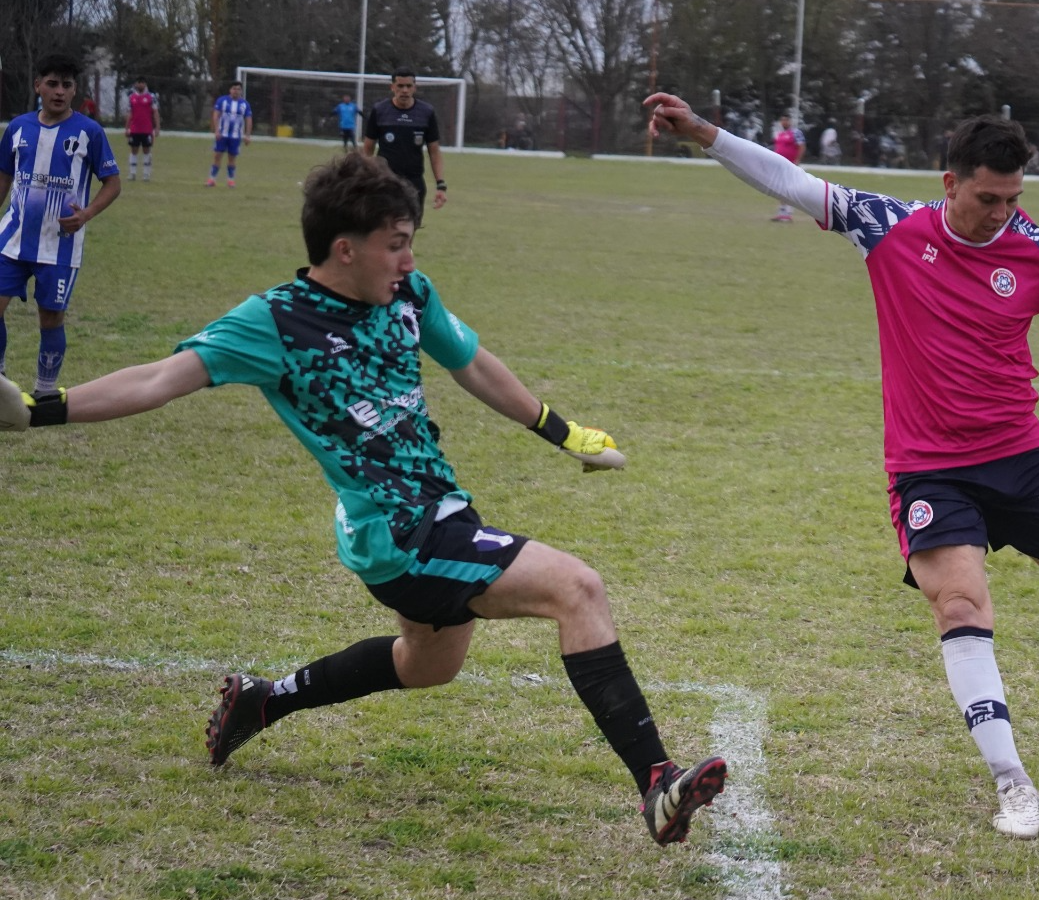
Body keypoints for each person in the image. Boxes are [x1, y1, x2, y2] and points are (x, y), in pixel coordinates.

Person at [0, 152, 726, 846]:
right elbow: (159, 379)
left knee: (429, 664)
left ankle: (263, 700)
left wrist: (563, 432)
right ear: (344, 249)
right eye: (396, 244)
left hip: (441, 513)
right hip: (397, 535)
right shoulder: (274, 322)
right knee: (578, 588)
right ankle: (657, 780)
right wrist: (42, 409)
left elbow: (470, 363)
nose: (408, 260)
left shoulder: (409, 293)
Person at [644, 91, 1039, 840]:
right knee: (960, 606)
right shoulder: (892, 227)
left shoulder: (1033, 250)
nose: (1003, 213)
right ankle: (1014, 784)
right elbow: (792, 182)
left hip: (1022, 459)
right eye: (989, 197)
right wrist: (705, 134)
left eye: (1014, 198)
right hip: (929, 469)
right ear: (950, 183)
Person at [0, 54, 121, 394]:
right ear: (37, 85)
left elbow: (113, 183)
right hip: (12, 238)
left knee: (50, 318)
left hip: (60, 245)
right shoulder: (18, 127)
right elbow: (5, 177)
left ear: (74, 91)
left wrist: (86, 214)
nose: (59, 91)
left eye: (66, 85)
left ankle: (46, 390)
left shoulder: (89, 132)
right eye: (52, 83)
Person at [364, 68, 447, 224]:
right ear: (392, 87)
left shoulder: (426, 112)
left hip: (414, 182)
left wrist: (440, 184)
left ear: (415, 88)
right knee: (385, 229)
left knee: (408, 231)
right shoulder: (380, 110)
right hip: (385, 181)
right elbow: (368, 148)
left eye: (409, 86)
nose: (405, 90)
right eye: (400, 86)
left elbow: (434, 151)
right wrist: (363, 178)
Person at [207, 80, 253, 187]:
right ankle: (212, 179)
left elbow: (248, 119)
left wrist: (247, 135)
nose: (236, 91)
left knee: (232, 158)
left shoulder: (244, 104)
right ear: (230, 90)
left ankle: (230, 180)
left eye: (238, 89)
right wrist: (217, 130)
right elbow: (216, 115)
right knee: (217, 156)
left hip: (236, 136)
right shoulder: (222, 101)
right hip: (222, 134)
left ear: (241, 91)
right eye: (234, 89)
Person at [769, 113, 805, 221]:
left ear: (790, 121)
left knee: (787, 188)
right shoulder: (779, 133)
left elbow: (802, 146)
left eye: (786, 120)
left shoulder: (795, 133)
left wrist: (797, 160)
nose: (784, 122)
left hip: (789, 165)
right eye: (782, 120)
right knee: (780, 187)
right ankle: (782, 212)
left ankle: (787, 212)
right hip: (778, 165)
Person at [125, 76, 160, 181]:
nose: (140, 85)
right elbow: (129, 113)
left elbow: (155, 112)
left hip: (147, 129)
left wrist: (157, 127)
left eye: (142, 83)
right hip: (135, 129)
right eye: (138, 83)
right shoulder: (131, 97)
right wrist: (127, 127)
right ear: (136, 84)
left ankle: (146, 174)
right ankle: (132, 173)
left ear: (145, 84)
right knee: (134, 150)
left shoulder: (151, 97)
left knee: (146, 150)